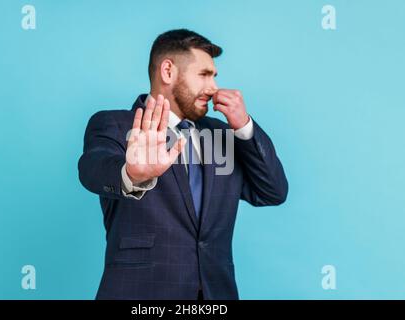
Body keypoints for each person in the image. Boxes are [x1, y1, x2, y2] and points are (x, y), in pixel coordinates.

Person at [78, 29, 288, 300]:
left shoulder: (222, 135)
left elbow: (272, 191)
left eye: (214, 76)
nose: (213, 87)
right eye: (204, 75)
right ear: (168, 71)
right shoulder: (116, 125)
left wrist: (245, 127)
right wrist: (130, 174)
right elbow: (92, 169)